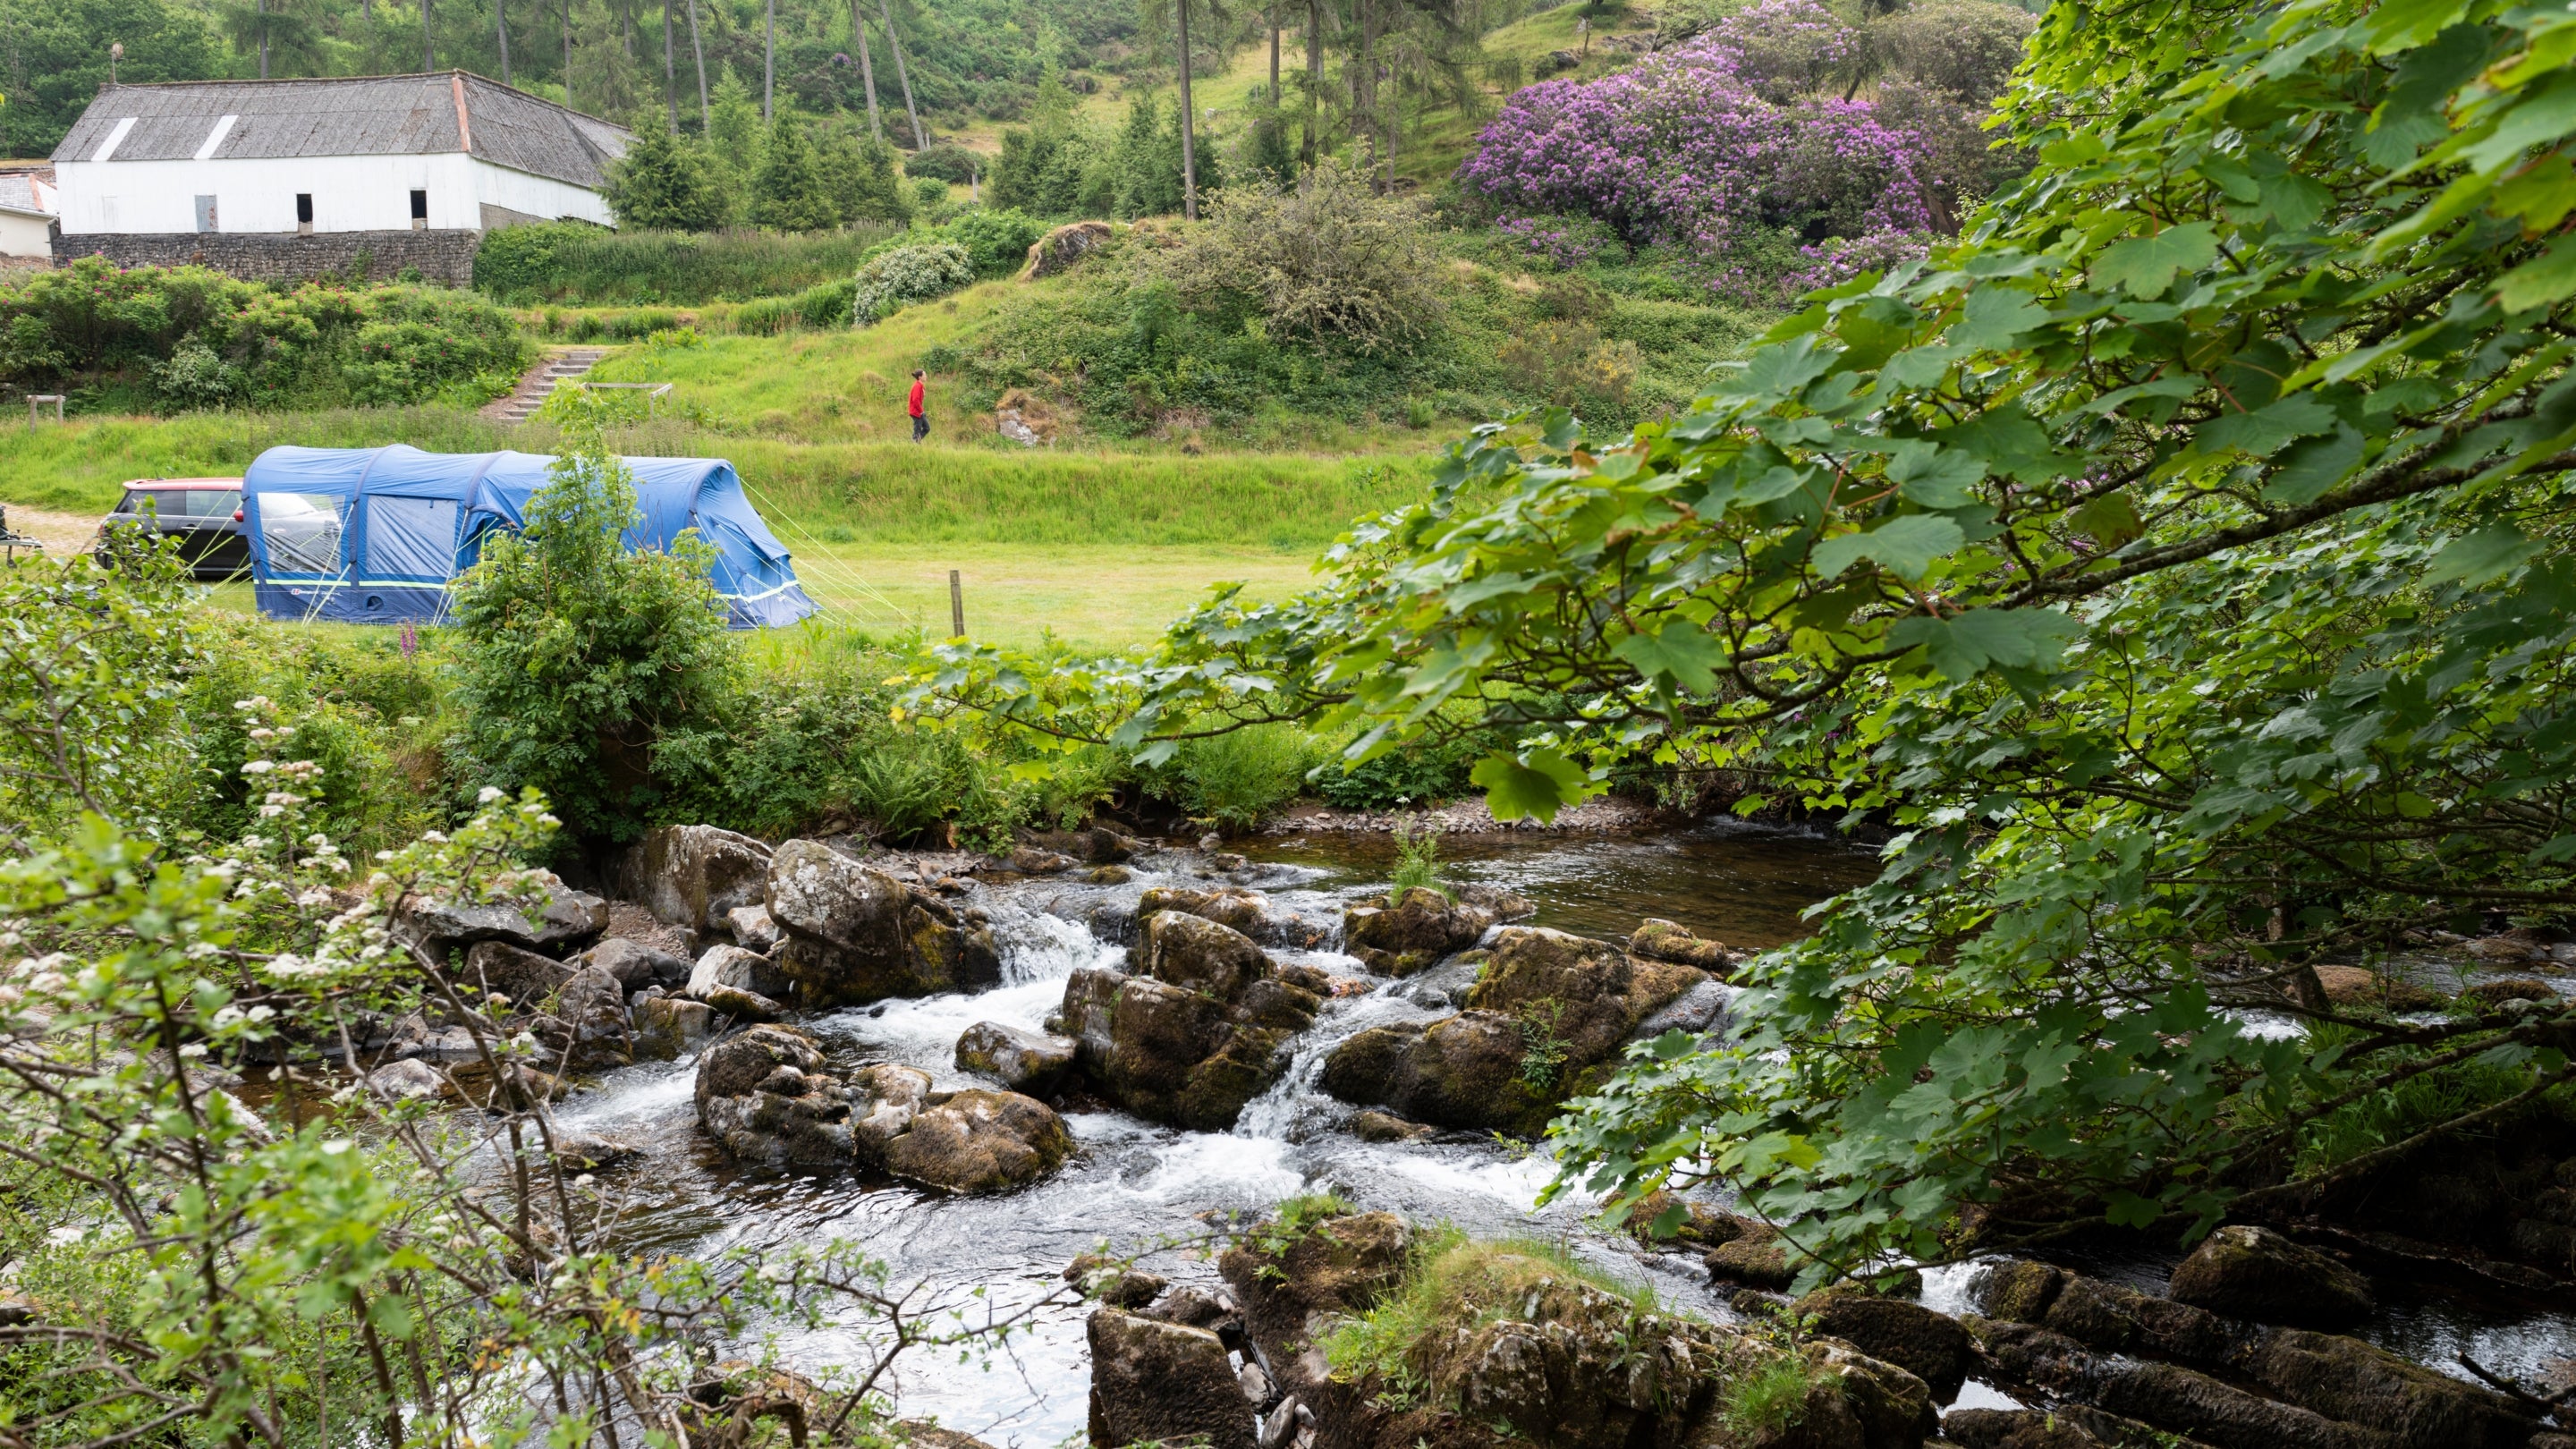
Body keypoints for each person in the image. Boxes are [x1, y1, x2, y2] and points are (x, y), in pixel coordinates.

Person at [907, 369, 928, 443]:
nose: (926, 376)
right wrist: (921, 411)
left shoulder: (920, 386)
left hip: (919, 412)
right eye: (924, 375)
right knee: (917, 431)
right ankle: (915, 442)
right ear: (920, 377)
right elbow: (915, 400)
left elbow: (919, 399)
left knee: (927, 428)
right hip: (916, 412)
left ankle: (915, 441)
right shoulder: (917, 386)